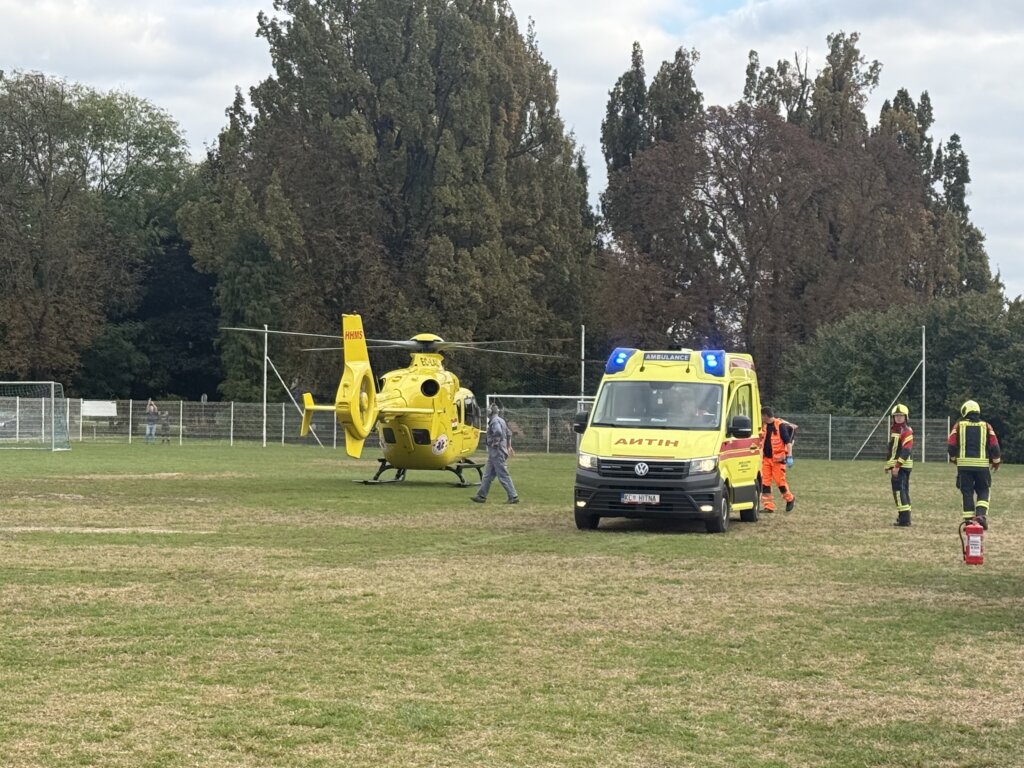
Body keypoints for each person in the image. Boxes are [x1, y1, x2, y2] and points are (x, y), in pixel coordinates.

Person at [947, 399, 1001, 530]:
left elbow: (951, 444)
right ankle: (981, 516)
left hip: (964, 466)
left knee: (967, 492)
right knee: (983, 490)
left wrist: (954, 458)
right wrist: (996, 461)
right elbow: (994, 445)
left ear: (964, 411)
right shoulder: (986, 426)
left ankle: (969, 522)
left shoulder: (959, 425)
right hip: (982, 467)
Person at [470, 403, 519, 504]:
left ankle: (513, 496)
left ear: (490, 412)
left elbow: (498, 432)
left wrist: (494, 443)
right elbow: (509, 433)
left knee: (503, 475)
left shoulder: (494, 421)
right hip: (497, 452)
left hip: (497, 452)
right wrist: (509, 446)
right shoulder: (501, 420)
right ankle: (481, 496)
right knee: (487, 475)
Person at [760, 406, 795, 513]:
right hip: (766, 459)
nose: (761, 418)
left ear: (765, 416)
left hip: (778, 460)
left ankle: (790, 498)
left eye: (762, 416)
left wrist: (789, 456)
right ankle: (768, 506)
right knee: (765, 483)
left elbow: (788, 442)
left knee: (780, 482)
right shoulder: (764, 426)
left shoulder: (780, 426)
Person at [885, 404, 914, 527]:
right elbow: (893, 450)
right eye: (896, 416)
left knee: (899, 492)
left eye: (901, 415)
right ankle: (904, 517)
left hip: (901, 467)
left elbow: (906, 450)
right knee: (903, 491)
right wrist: (888, 465)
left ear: (906, 417)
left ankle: (904, 520)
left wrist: (896, 466)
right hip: (900, 466)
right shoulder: (895, 430)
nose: (898, 418)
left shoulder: (905, 430)